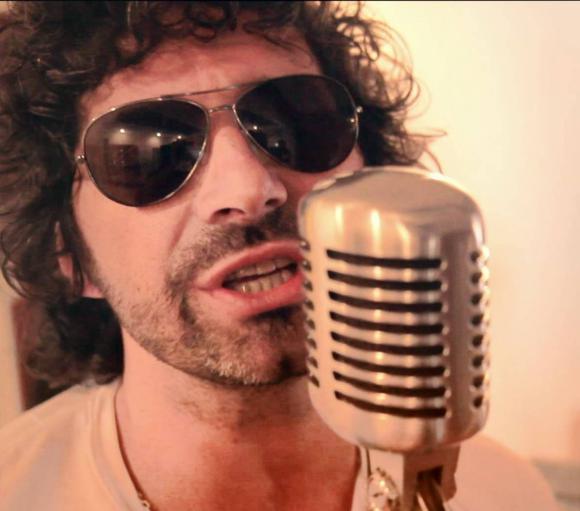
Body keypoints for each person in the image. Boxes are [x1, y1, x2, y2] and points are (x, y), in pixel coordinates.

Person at [0, 2, 559, 510]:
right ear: (67, 252)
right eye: (148, 152)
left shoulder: (509, 494)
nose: (249, 190)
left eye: (294, 120)